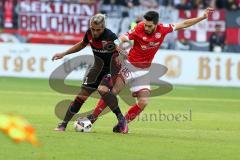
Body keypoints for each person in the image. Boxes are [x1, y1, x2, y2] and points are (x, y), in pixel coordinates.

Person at [87, 8, 214, 132]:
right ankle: (92, 119)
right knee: (113, 91)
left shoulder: (163, 29)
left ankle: (122, 123)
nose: (146, 28)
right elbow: (122, 38)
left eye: (149, 26)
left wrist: (202, 17)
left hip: (143, 71)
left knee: (143, 102)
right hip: (129, 66)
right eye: (145, 25)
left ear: (156, 24)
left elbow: (184, 24)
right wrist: (118, 44)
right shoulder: (138, 28)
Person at [52, 13, 128, 133]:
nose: (95, 32)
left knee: (102, 89)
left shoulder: (110, 36)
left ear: (103, 28)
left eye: (98, 30)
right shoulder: (88, 33)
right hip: (97, 68)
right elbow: (82, 44)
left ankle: (121, 119)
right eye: (93, 29)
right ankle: (63, 124)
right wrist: (64, 53)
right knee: (82, 95)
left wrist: (122, 53)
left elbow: (121, 48)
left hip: (111, 69)